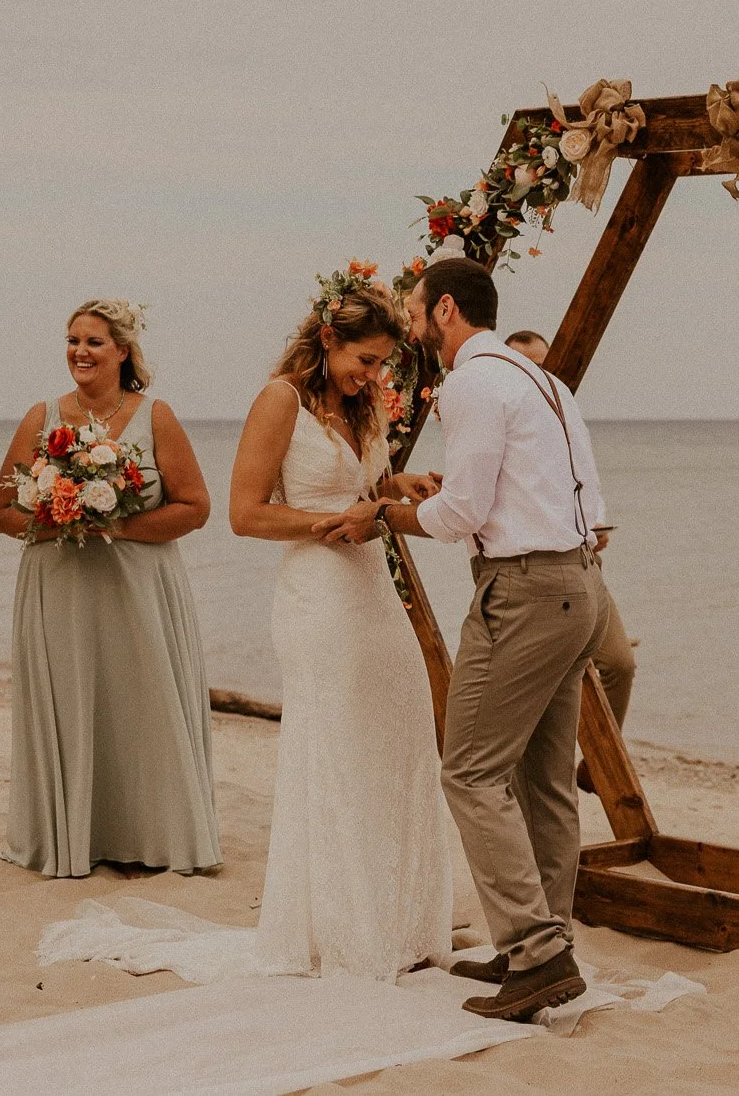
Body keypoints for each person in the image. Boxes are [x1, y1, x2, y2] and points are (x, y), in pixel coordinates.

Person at [343, 257, 613, 1022]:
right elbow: (583, 499)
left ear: (447, 312)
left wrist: (381, 515)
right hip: (581, 580)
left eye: (417, 312)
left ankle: (536, 948)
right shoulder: (544, 381)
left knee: (467, 771)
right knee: (543, 779)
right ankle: (537, 940)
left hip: (524, 591)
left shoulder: (467, 382)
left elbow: (460, 513)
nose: (412, 327)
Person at [227, 271, 454, 979]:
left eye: (384, 362)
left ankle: (401, 919)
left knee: (403, 731)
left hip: (370, 589)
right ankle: (344, 929)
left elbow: (362, 487)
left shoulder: (361, 406)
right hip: (317, 594)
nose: (375, 373)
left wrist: (393, 489)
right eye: (365, 359)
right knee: (338, 747)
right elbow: (246, 512)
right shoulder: (280, 401)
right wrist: (332, 521)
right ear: (328, 339)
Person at [0, 299, 220, 879]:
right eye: (72, 340)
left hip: (138, 591)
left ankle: (155, 836)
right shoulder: (40, 417)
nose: (80, 352)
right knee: (72, 702)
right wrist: (56, 516)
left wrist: (115, 525)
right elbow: (1, 511)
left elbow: (196, 508)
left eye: (93, 342)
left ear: (122, 350)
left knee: (143, 708)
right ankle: (74, 837)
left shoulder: (155, 416)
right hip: (60, 590)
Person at [505, 329, 638, 782]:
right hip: (528, 578)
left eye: (542, 366)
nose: (534, 376)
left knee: (620, 663)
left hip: (584, 567)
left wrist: (597, 525)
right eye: (525, 365)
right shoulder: (500, 422)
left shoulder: (565, 418)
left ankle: (592, 770)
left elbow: (588, 486)